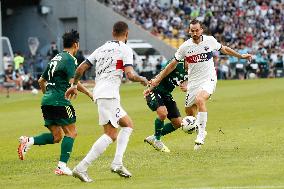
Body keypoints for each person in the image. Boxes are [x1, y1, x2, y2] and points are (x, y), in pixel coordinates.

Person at [149, 19, 252, 150]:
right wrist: (158, 79)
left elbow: (224, 49)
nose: (195, 33)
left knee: (200, 99)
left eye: (197, 30)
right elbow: (172, 65)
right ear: (189, 31)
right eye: (192, 31)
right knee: (189, 112)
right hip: (193, 82)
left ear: (201, 30)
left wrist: (241, 56)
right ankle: (199, 127)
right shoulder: (185, 47)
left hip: (209, 79)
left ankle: (201, 134)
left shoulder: (210, 40)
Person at [65, 21, 148, 182]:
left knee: (128, 124)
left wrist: (74, 85)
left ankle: (117, 163)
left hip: (101, 92)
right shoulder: (125, 49)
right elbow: (130, 75)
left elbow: (80, 69)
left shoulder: (101, 48)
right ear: (127, 34)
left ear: (112, 32)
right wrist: (142, 79)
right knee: (110, 134)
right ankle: (81, 168)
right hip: (109, 95)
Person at [17, 30, 93, 175]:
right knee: (71, 133)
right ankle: (61, 166)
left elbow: (41, 80)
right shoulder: (70, 59)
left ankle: (28, 141)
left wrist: (48, 96)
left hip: (46, 101)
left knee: (57, 137)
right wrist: (89, 93)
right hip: (60, 100)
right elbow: (73, 82)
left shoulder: (55, 58)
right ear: (76, 45)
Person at [144, 58, 188, 153]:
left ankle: (154, 137)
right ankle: (158, 141)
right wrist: (150, 88)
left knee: (178, 123)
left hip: (167, 93)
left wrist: (186, 87)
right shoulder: (176, 62)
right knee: (163, 113)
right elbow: (162, 73)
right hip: (155, 89)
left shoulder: (192, 70)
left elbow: (187, 83)